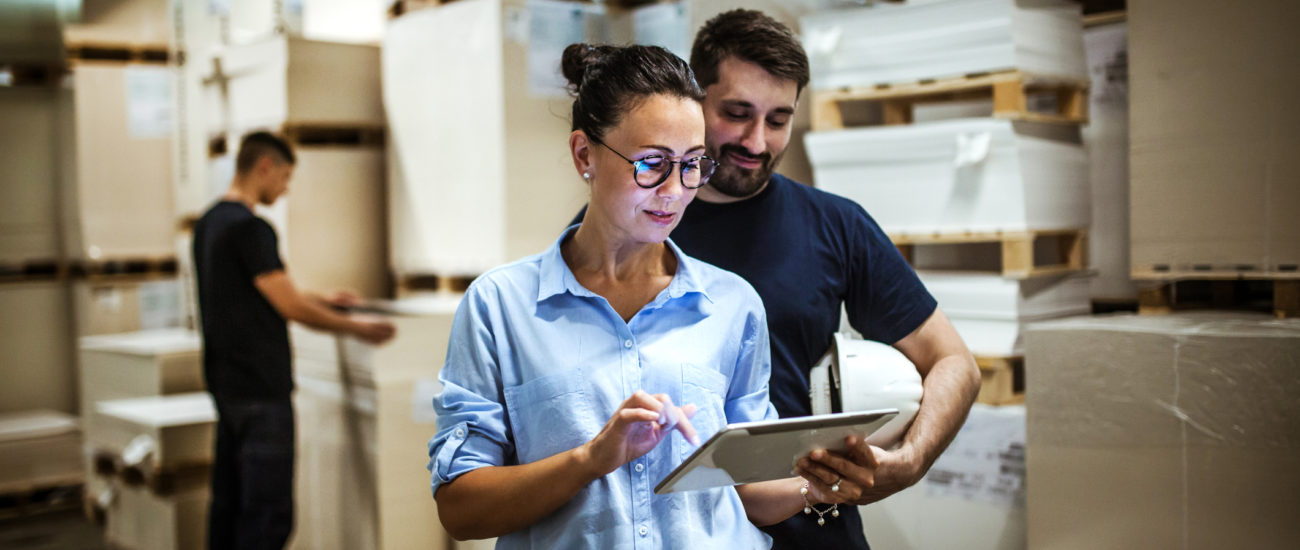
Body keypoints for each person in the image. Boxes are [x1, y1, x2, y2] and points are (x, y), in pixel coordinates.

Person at [573, 10, 983, 549]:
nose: (757, 141)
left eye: (778, 119)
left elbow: (954, 362)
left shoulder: (836, 225)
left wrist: (910, 461)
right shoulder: (628, 229)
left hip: (814, 530)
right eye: (737, 113)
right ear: (695, 103)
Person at [427, 44, 844, 549]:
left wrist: (822, 481)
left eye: (693, 164)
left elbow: (746, 488)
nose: (674, 191)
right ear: (585, 154)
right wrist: (590, 460)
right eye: (652, 164)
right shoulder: (500, 307)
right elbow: (460, 508)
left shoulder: (733, 305)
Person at [192, 131, 396, 550]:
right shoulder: (252, 229)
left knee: (229, 507)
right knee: (268, 516)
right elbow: (290, 308)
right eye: (284, 177)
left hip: (227, 387)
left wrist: (321, 297)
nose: (284, 189)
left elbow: (254, 292)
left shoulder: (210, 223)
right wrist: (359, 328)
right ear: (264, 167)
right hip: (261, 392)